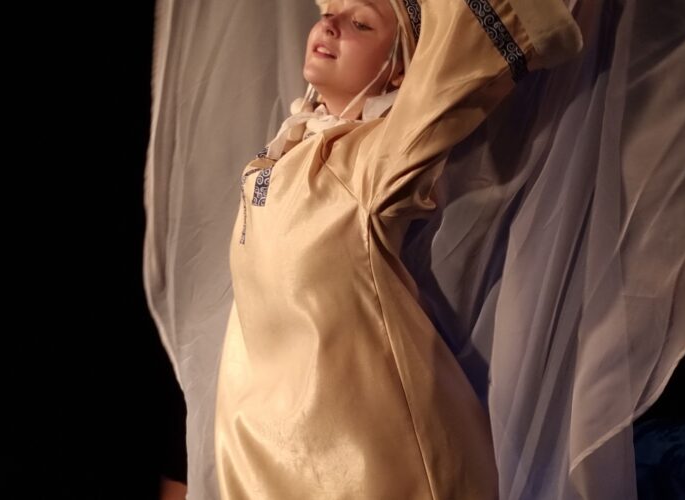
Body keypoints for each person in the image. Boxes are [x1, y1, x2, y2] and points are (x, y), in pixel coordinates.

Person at [213, 0, 582, 497]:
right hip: (261, 439)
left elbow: (449, 73)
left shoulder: (373, 159)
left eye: (360, 23)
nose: (329, 24)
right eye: (330, 14)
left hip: (367, 454)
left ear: (400, 70)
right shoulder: (290, 146)